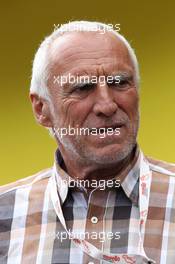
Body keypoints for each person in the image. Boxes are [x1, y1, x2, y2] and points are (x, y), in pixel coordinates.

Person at [0, 21, 175, 264]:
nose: (107, 105)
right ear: (42, 109)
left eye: (120, 82)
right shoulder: (6, 213)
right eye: (82, 88)